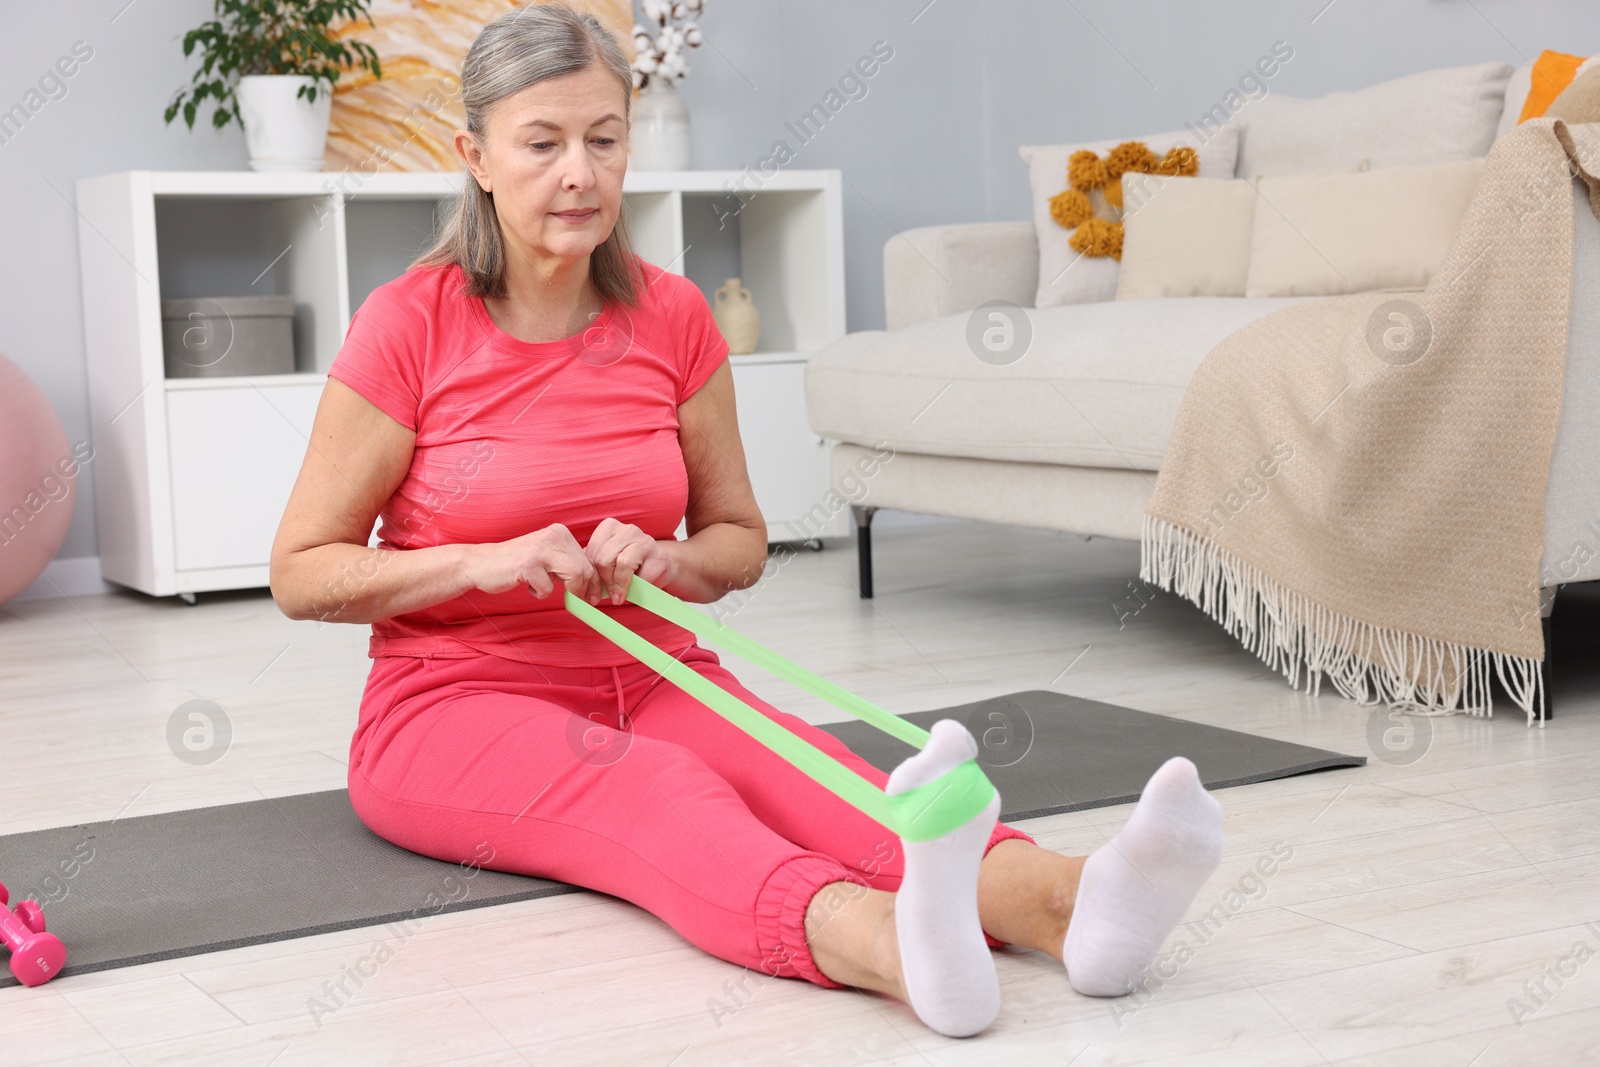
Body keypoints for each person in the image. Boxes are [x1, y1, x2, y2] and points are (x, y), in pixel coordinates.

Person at [268, 2, 1222, 1039]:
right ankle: (891, 945)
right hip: (450, 702)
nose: (579, 173)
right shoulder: (408, 323)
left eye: (603, 139)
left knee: (815, 776)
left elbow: (739, 541)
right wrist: (479, 563)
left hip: (656, 666)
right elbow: (301, 572)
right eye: (541, 144)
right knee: (659, 790)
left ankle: (1075, 903)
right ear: (476, 156)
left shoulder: (672, 316)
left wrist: (670, 558)